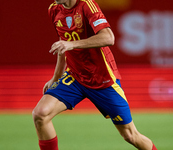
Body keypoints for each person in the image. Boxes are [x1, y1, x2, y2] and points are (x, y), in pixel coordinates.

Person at [32, 0, 158, 150]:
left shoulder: (87, 5)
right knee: (40, 114)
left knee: (130, 135)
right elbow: (62, 43)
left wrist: (73, 44)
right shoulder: (54, 10)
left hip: (102, 80)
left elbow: (108, 38)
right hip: (75, 77)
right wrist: (57, 76)